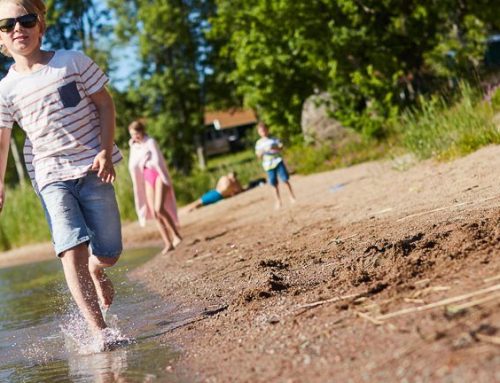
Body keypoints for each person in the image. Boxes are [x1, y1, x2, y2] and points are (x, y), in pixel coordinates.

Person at [0, 0, 122, 348]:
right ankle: (101, 332)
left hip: (93, 167)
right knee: (71, 248)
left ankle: (99, 269)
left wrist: (105, 151)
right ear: (1, 39)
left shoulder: (72, 62)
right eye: (7, 25)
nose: (17, 29)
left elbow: (105, 104)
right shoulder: (5, 90)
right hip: (49, 174)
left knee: (109, 251)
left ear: (41, 25)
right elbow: (2, 140)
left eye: (25, 20)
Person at [128, 120, 181, 254]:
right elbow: (134, 164)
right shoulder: (134, 146)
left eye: (137, 134)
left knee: (159, 208)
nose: (135, 137)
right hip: (147, 177)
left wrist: (165, 178)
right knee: (154, 212)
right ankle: (168, 243)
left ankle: (176, 235)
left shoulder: (150, 142)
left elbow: (157, 161)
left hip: (158, 175)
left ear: (142, 131)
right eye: (132, 135)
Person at [255, 122, 296, 209]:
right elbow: (258, 155)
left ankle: (292, 196)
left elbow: (281, 147)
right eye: (261, 131)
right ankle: (278, 201)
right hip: (268, 165)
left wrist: (274, 147)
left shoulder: (274, 139)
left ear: (267, 130)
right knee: (274, 183)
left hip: (278, 161)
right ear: (259, 132)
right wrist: (262, 151)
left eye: (264, 130)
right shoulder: (259, 143)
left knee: (285, 179)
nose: (263, 132)